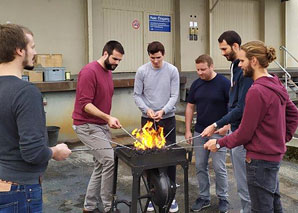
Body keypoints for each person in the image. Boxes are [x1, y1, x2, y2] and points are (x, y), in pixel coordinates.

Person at [204, 40, 298, 212]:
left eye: (242, 61)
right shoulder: (276, 83)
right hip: (273, 158)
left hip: (259, 161)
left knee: (261, 209)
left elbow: (245, 133)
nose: (239, 65)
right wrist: (281, 140)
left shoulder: (256, 91)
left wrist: (218, 143)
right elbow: (293, 114)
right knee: (275, 207)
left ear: (253, 61)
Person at [0, 24, 71, 212]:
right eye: (32, 47)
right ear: (19, 50)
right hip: (18, 191)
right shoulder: (26, 93)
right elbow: (32, 152)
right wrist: (56, 151)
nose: (35, 52)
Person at [201, 30, 253, 213]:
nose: (222, 52)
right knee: (242, 181)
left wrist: (215, 125)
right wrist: (227, 125)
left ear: (236, 46)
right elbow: (235, 102)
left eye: (224, 48)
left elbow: (241, 106)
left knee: (245, 183)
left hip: (242, 132)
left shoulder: (244, 69)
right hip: (235, 128)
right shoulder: (234, 65)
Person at [72, 40, 124, 213]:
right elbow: (85, 104)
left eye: (119, 61)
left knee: (100, 165)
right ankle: (109, 207)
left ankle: (89, 206)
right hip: (86, 125)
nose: (116, 63)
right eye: (115, 59)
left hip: (101, 126)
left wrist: (107, 120)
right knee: (109, 160)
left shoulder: (108, 72)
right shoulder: (88, 72)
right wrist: (108, 117)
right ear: (105, 53)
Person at [133, 41, 180, 212]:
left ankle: (171, 195)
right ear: (149, 56)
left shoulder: (172, 70)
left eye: (158, 58)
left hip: (167, 118)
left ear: (164, 55)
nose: (155, 61)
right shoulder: (142, 71)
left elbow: (175, 95)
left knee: (170, 156)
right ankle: (154, 194)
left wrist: (164, 110)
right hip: (148, 120)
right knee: (149, 157)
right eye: (152, 58)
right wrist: (147, 109)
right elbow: (137, 95)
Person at [185, 54, 230, 212]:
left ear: (212, 66)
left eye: (203, 69)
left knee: (219, 167)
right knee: (200, 166)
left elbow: (234, 107)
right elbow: (190, 107)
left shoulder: (224, 84)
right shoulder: (196, 84)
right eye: (197, 69)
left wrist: (228, 126)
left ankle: (223, 198)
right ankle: (204, 197)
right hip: (200, 132)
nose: (200, 72)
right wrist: (187, 130)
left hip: (219, 132)